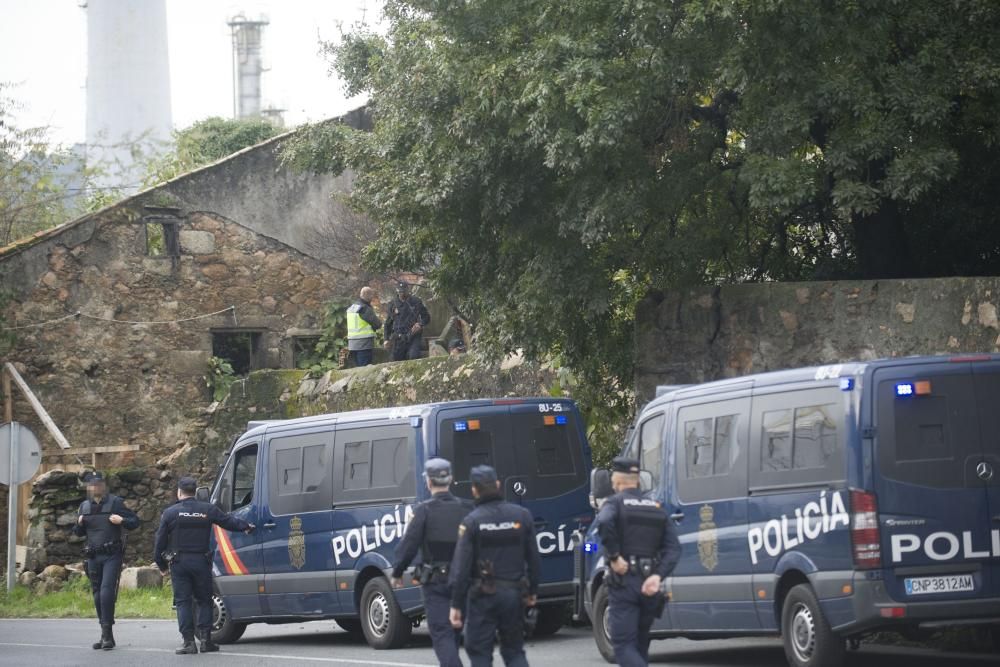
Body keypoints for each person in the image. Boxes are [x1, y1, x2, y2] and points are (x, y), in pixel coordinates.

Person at [449, 465, 540, 667]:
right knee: (515, 651)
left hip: (483, 597)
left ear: (474, 490)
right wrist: (533, 591)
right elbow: (534, 558)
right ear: (498, 485)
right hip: (514, 595)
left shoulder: (471, 522)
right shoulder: (522, 515)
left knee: (480, 653)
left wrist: (456, 604)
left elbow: (461, 569)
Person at [594, 457, 681, 667]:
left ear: (617, 481)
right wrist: (657, 575)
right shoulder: (656, 507)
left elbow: (604, 522)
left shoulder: (614, 503)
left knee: (623, 647)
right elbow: (674, 548)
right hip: (649, 586)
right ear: (637, 480)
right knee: (640, 647)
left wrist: (614, 557)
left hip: (625, 584)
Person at [154, 476, 254, 655]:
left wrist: (161, 565)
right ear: (195, 491)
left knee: (184, 602)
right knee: (204, 601)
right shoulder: (207, 509)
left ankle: (188, 643)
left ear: (179, 492)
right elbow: (228, 521)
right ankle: (206, 641)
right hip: (201, 562)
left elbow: (159, 542)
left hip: (179, 563)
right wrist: (246, 526)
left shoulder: (170, 513)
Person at [390, 458, 473, 667]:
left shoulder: (423, 511)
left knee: (441, 633)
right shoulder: (466, 509)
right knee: (453, 632)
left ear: (428, 482)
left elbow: (409, 545)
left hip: (436, 583)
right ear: (451, 479)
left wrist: (397, 572)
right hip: (464, 581)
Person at [72, 471, 140, 651]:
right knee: (96, 594)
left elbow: (135, 521)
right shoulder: (83, 507)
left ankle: (106, 634)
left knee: (106, 591)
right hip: (93, 556)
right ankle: (106, 634)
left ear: (103, 485)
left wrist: (122, 520)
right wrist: (78, 524)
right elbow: (77, 533)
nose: (96, 487)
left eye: (99, 483)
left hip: (112, 555)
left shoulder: (115, 502)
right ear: (88, 487)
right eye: (93, 484)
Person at [384, 281, 431, 361]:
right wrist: (386, 339)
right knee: (396, 359)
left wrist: (420, 324)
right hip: (399, 336)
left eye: (404, 291)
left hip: (413, 334)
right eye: (400, 291)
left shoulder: (416, 301)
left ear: (407, 290)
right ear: (397, 291)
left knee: (413, 356)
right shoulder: (392, 304)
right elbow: (388, 323)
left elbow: (426, 317)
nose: (402, 294)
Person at [346, 286, 382, 367]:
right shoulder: (364, 308)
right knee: (365, 370)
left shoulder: (352, 307)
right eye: (372, 295)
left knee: (357, 370)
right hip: (364, 344)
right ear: (368, 295)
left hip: (352, 344)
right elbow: (377, 324)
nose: (372, 298)